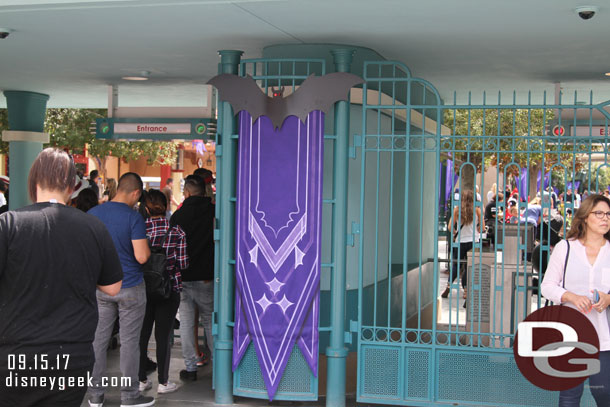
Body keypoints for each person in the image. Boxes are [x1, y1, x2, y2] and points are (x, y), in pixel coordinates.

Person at [0, 148, 122, 407]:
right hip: (72, 355)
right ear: (72, 185)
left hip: (16, 353)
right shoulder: (93, 227)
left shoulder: (8, 224)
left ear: (33, 181)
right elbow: (113, 287)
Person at [87, 172, 154, 407]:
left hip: (101, 288)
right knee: (129, 342)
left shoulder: (93, 214)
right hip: (131, 287)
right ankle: (129, 396)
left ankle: (95, 396)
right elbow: (142, 256)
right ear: (135, 192)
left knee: (97, 340)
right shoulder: (134, 218)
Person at [541, 194, 610, 406]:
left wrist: (608, 298)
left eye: (608, 214)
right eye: (599, 213)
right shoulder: (566, 248)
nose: (605, 218)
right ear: (585, 217)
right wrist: (570, 296)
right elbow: (547, 286)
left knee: (604, 394)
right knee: (569, 397)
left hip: (604, 339)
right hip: (571, 336)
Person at [138, 189, 188, 394]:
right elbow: (183, 264)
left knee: (142, 335)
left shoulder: (138, 230)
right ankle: (163, 382)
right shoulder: (177, 232)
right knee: (163, 336)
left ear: (147, 209)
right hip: (169, 288)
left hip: (142, 289)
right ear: (166, 206)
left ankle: (140, 379)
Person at [170, 176, 215, 381]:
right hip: (206, 277)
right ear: (204, 192)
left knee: (187, 322)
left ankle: (190, 368)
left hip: (184, 277)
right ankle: (219, 365)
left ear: (186, 193)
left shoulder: (178, 216)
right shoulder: (214, 212)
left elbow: (172, 248)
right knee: (209, 320)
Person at [441, 189, 482, 300]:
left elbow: (450, 227)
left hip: (460, 242)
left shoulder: (457, 210)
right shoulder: (477, 210)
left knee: (456, 265)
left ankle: (449, 286)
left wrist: (456, 232)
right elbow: (481, 228)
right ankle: (466, 291)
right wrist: (477, 230)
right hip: (473, 242)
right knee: (469, 267)